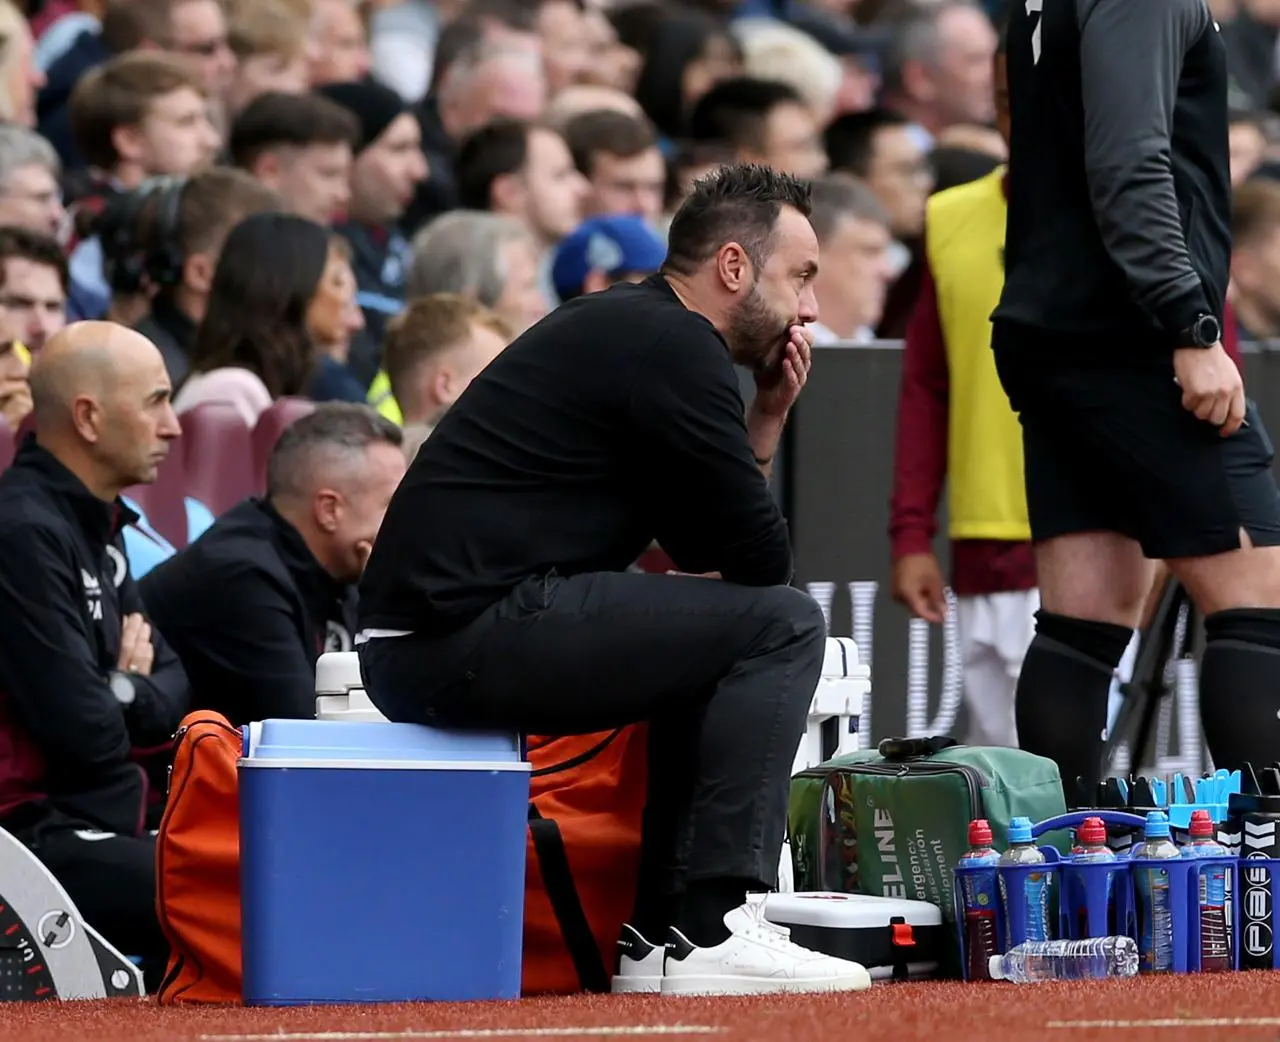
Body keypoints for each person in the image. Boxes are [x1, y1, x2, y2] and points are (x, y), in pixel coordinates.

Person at [356, 164, 871, 997]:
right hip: (455, 634)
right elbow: (759, 568)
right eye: (800, 278)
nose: (810, 309)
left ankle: (664, 936)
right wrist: (762, 423)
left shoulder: (641, 332)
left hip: (436, 636)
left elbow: (714, 558)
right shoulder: (674, 343)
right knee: (786, 624)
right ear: (734, 267)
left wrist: (765, 416)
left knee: (720, 641)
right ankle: (711, 925)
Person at [995, 0, 1279, 805]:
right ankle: (1266, 889)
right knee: (1262, 607)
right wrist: (1189, 323)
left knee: (1082, 622)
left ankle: (1062, 887)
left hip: (1058, 325)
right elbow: (1127, 162)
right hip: (1132, 334)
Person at [0, 320, 188, 987]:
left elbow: (174, 683)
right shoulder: (22, 532)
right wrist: (125, 690)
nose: (173, 427)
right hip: (30, 838)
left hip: (111, 815)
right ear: (88, 417)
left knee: (278, 869)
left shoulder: (98, 521)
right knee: (237, 899)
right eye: (156, 402)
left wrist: (123, 687)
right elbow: (84, 733)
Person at [141, 404, 405, 725]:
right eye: (393, 504)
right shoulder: (240, 576)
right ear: (329, 510)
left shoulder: (339, 569)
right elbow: (306, 736)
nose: (406, 521)